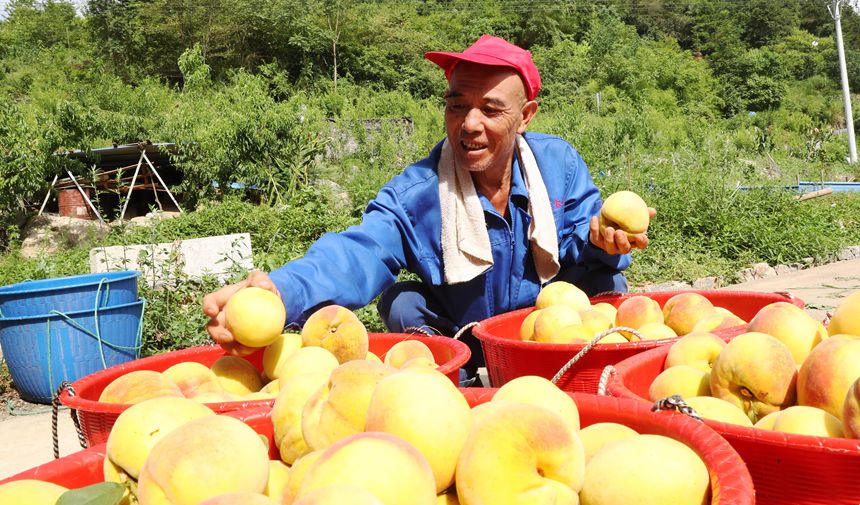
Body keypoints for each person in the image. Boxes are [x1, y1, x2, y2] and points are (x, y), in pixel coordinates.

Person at [203, 35, 653, 384]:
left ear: (526, 116)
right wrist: (280, 293)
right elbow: (360, 252)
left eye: (490, 110)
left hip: (545, 336)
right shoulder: (420, 191)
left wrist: (604, 241)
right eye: (457, 106)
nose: (469, 124)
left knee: (608, 280)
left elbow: (582, 235)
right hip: (464, 334)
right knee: (402, 302)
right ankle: (453, 388)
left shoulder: (558, 165)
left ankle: (585, 379)